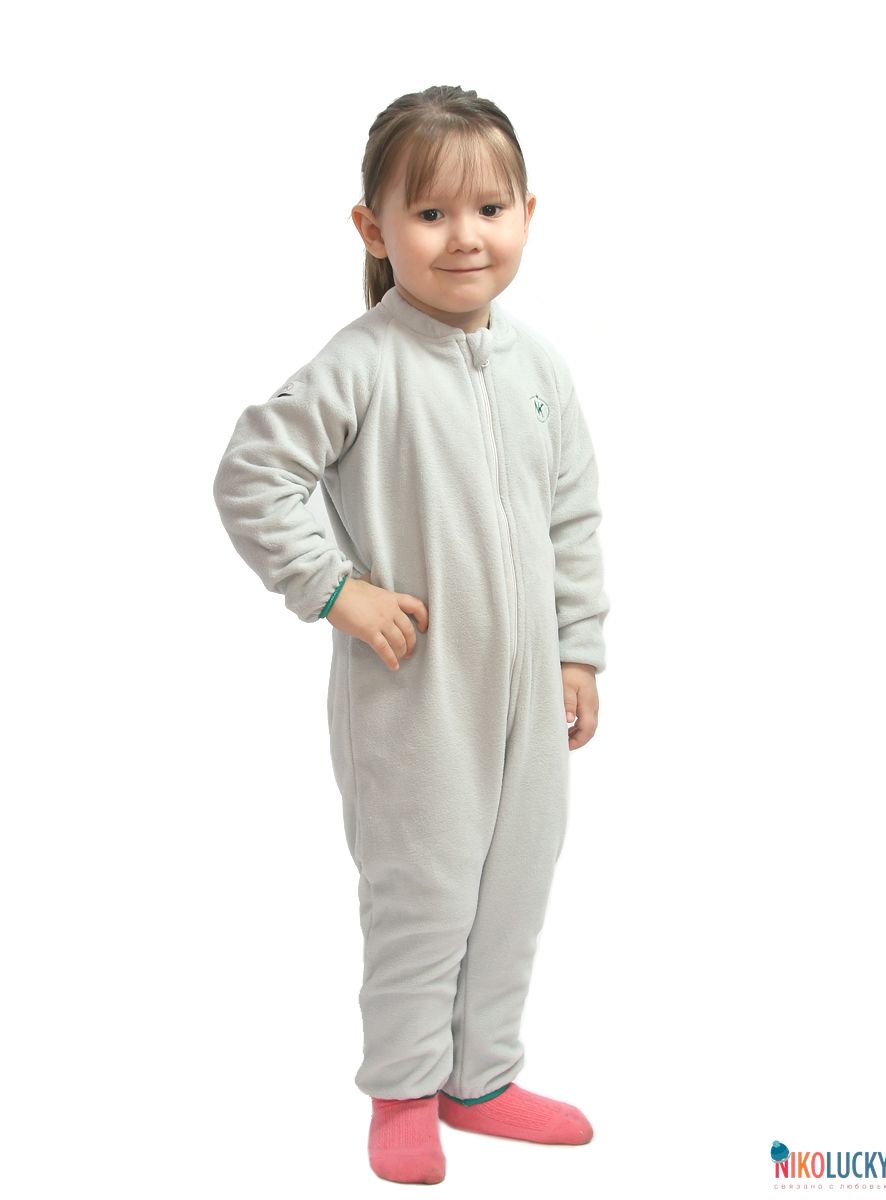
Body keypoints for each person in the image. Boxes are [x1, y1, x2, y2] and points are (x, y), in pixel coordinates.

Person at [212, 84, 611, 1185]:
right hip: (416, 695)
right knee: (423, 895)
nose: (464, 236)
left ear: (528, 214)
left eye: (489, 208)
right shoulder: (363, 362)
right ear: (374, 228)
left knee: (515, 886)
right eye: (430, 213)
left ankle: (480, 1079)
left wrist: (580, 648)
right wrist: (335, 590)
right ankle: (401, 1092)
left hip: (531, 698)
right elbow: (253, 473)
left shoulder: (539, 367)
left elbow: (573, 515)